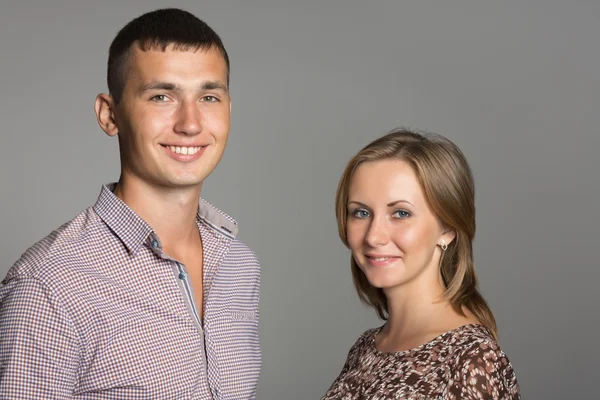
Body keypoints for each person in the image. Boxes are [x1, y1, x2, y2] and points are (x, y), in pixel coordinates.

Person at [0, 8, 260, 399]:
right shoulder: (49, 287)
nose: (190, 123)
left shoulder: (238, 267)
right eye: (161, 96)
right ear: (110, 115)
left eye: (208, 96)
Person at [322, 129, 520, 399]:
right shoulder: (366, 347)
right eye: (361, 212)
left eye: (400, 213)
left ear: (447, 228)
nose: (373, 236)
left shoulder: (471, 359)